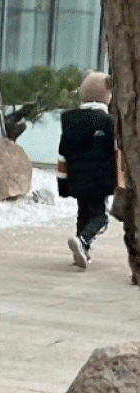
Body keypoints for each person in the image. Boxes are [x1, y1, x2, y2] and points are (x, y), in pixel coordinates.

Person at [56, 70, 117, 269]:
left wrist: (62, 182)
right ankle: (82, 241)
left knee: (82, 213)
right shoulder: (109, 122)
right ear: (107, 95)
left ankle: (82, 252)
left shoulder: (69, 120)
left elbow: (62, 153)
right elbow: (116, 152)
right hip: (100, 179)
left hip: (76, 178)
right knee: (100, 218)